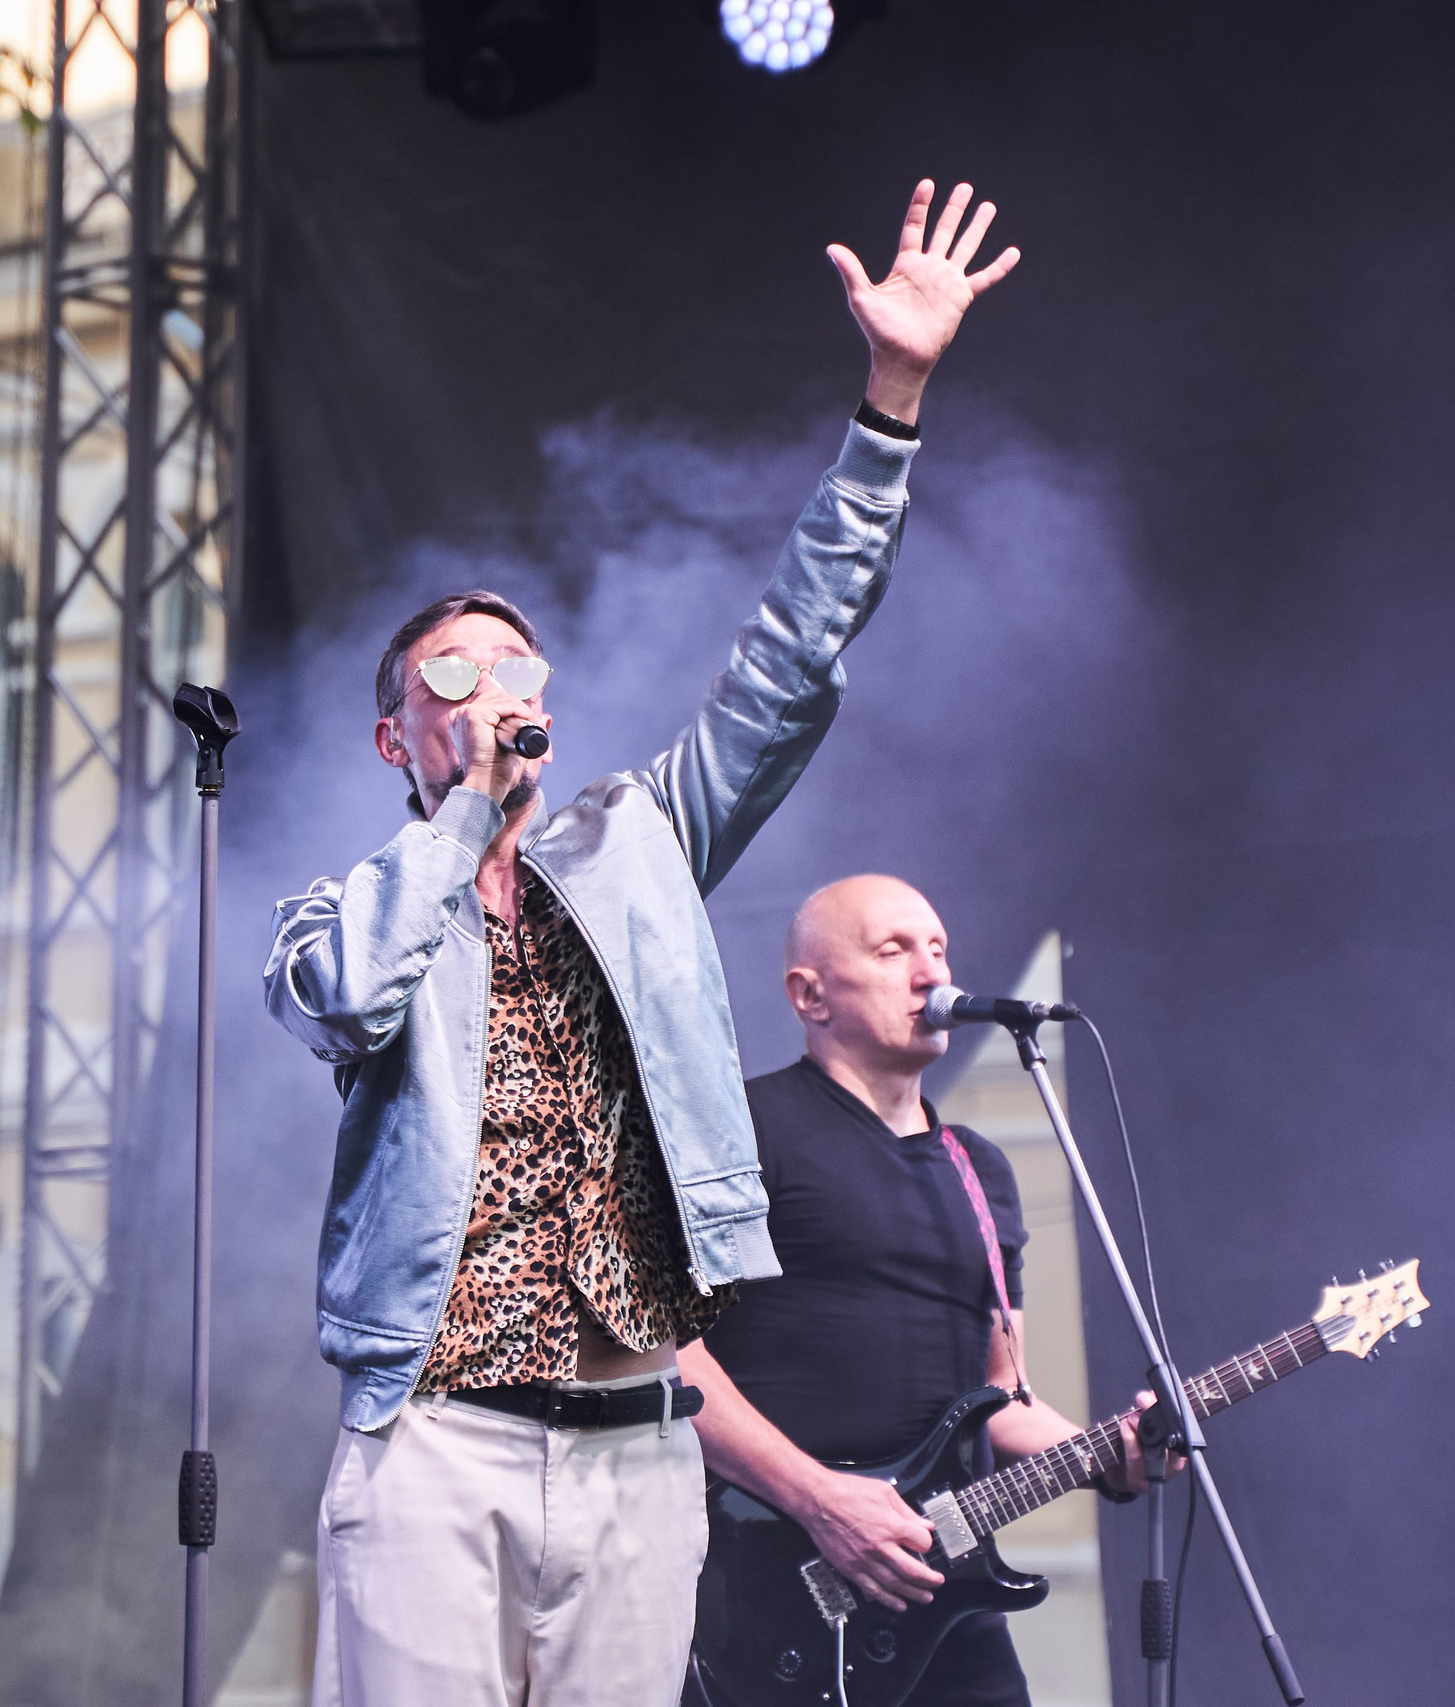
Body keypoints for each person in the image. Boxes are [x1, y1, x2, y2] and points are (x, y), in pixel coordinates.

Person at [262, 183, 1022, 1707]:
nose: (494, 684)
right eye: (452, 671)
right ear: (393, 731)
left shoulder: (642, 839)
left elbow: (793, 657)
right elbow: (346, 1001)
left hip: (635, 1444)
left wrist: (893, 402)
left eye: (517, 659)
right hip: (437, 1440)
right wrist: (461, 821)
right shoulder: (350, 903)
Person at [680, 875, 1174, 1707]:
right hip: (768, 1583)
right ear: (810, 994)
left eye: (938, 948)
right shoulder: (744, 1129)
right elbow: (667, 1357)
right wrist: (821, 1498)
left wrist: (1107, 1453)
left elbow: (1002, 1397)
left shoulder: (981, 1171)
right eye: (893, 949)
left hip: (944, 1604)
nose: (929, 970)